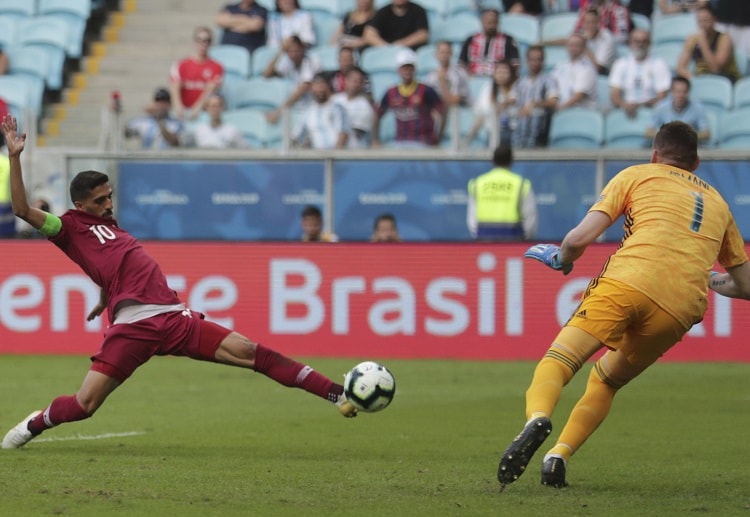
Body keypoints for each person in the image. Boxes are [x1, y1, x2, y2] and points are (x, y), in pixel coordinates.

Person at [0, 114, 358, 450]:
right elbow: (21, 210)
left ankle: (336, 394)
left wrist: (105, 294)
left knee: (249, 351)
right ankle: (34, 424)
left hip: (174, 317)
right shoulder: (67, 227)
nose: (109, 203)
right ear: (80, 204)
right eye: (100, 200)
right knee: (85, 404)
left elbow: (110, 265)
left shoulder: (111, 227)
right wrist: (15, 157)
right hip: (134, 327)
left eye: (110, 195)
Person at [496, 120, 749, 489]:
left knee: (561, 359)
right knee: (607, 380)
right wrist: (701, 276)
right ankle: (558, 457)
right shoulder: (720, 205)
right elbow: (744, 286)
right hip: (680, 308)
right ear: (696, 164)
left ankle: (537, 418)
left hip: (627, 280)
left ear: (655, 155)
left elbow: (580, 237)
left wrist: (561, 258)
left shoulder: (638, 175)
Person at [372, 49, 446, 148]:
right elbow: (377, 114)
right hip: (400, 142)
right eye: (404, 68)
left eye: (410, 67)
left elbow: (443, 111)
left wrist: (438, 138)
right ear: (398, 70)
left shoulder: (426, 90)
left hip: (424, 142)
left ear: (415, 69)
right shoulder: (391, 92)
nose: (407, 71)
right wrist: (375, 139)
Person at [466, 144, 537, 241]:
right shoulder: (521, 184)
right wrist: (522, 240)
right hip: (513, 241)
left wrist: (480, 237)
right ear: (511, 160)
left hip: (484, 239)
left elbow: (472, 220)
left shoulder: (478, 183)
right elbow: (530, 220)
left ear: (493, 161)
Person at [609, 29, 671, 119]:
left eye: (643, 41)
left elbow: (662, 96)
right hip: (625, 109)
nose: (640, 44)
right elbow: (614, 95)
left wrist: (642, 105)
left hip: (651, 110)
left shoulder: (659, 64)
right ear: (630, 43)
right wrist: (625, 105)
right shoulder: (621, 63)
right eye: (636, 41)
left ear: (649, 44)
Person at [169, 27, 224, 120]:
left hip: (204, 112)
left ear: (211, 43)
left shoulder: (217, 67)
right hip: (183, 110)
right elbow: (174, 86)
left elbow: (210, 89)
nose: (203, 44)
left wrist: (197, 107)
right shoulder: (181, 65)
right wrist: (178, 106)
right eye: (200, 40)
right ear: (194, 42)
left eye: (207, 41)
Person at [263, 35, 321, 124]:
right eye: (290, 51)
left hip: (314, 107)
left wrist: (279, 112)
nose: (293, 54)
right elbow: (267, 74)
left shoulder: (310, 60)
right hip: (298, 108)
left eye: (296, 50)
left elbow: (303, 88)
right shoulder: (289, 63)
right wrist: (280, 51)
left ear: (302, 49)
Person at [676, 4, 740, 83]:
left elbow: (716, 69)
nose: (703, 24)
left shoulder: (724, 39)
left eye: (706, 20)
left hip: (725, 79)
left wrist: (703, 43)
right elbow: (680, 68)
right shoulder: (692, 39)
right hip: (701, 78)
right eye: (700, 21)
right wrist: (691, 78)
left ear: (714, 20)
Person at [465, 60, 518, 148]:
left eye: (505, 72)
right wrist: (468, 139)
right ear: (494, 74)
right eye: (499, 72)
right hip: (492, 133)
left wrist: (506, 102)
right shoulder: (488, 89)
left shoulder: (517, 88)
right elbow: (481, 116)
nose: (502, 75)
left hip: (513, 133)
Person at [514, 45, 559, 149]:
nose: (535, 63)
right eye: (532, 60)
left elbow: (553, 102)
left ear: (543, 61)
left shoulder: (549, 80)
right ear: (527, 61)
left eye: (539, 60)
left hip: (539, 126)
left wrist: (535, 104)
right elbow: (516, 102)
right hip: (520, 126)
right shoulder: (520, 82)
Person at [646, 76, 710, 144]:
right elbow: (648, 133)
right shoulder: (661, 107)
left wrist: (688, 135)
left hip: (689, 147)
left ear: (689, 92)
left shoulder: (698, 108)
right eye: (678, 92)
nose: (681, 95)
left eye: (684, 92)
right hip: (666, 147)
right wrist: (667, 135)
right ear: (672, 92)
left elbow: (706, 134)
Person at [292, 73, 349, 149]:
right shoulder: (309, 111)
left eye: (322, 85)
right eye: (316, 85)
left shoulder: (337, 108)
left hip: (335, 157)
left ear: (329, 86)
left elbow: (343, 134)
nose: (320, 89)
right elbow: (296, 136)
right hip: (317, 157)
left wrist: (334, 155)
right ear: (312, 88)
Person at [458, 8, 520, 77]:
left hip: (499, 80)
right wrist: (468, 75)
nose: (491, 26)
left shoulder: (508, 40)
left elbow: (515, 64)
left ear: (498, 23)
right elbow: (461, 63)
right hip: (472, 79)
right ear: (482, 22)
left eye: (494, 22)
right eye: (488, 23)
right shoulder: (470, 40)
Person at [332, 66, 376, 149]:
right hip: (331, 148)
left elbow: (356, 133)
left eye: (359, 82)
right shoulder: (335, 99)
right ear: (346, 80)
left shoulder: (365, 106)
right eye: (353, 81)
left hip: (353, 151)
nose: (355, 84)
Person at [552, 34, 598, 110]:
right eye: (571, 45)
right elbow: (552, 85)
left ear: (583, 48)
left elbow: (578, 96)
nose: (573, 48)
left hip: (581, 111)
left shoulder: (587, 68)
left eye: (577, 46)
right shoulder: (560, 65)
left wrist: (560, 108)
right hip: (561, 108)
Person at [362, 0, 429, 51]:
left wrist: (400, 45)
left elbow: (422, 35)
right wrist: (387, 47)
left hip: (410, 50)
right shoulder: (383, 12)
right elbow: (369, 34)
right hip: (385, 50)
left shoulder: (418, 10)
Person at [423, 40, 471, 107]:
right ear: (436, 54)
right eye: (442, 52)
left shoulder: (460, 73)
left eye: (447, 52)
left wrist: (442, 82)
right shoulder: (431, 76)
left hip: (457, 113)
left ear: (451, 53)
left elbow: (454, 101)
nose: (444, 55)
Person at [578, 8, 616, 75]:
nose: (590, 26)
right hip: (584, 73)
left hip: (603, 75)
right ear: (583, 24)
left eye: (593, 22)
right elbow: (567, 40)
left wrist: (583, 44)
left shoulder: (606, 37)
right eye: (587, 22)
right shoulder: (582, 33)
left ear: (599, 23)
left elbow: (598, 68)